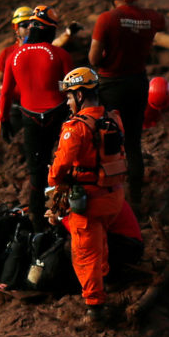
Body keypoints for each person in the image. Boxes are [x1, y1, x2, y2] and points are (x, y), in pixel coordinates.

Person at [50, 67, 127, 322]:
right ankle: (104, 283)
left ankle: (94, 308)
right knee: (101, 243)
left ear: (80, 96)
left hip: (89, 201)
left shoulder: (76, 128)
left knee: (85, 254)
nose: (69, 102)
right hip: (113, 197)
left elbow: (58, 170)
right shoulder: (113, 118)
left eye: (70, 97)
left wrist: (55, 183)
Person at [90, 0, 165, 210]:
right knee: (133, 141)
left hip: (111, 85)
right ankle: (137, 198)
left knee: (108, 140)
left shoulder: (107, 19)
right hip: (138, 83)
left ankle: (111, 196)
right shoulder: (152, 17)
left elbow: (93, 59)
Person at [0, 5, 72, 230]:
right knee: (64, 167)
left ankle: (37, 223)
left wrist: (3, 119)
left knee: (35, 172)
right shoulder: (60, 54)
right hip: (57, 116)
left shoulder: (13, 56)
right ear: (50, 31)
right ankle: (62, 218)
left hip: (29, 118)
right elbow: (70, 89)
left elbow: (6, 92)